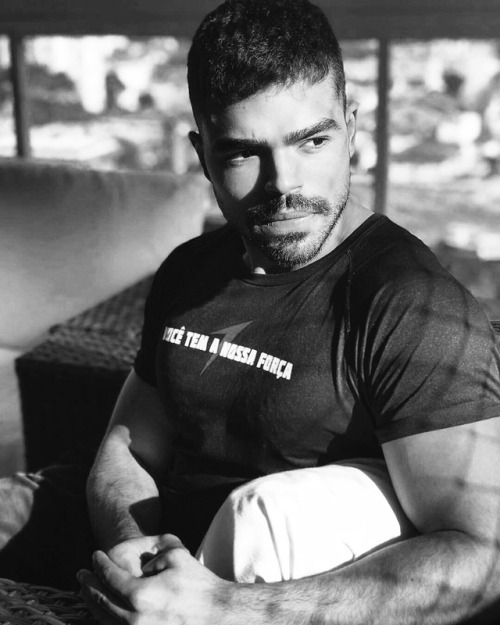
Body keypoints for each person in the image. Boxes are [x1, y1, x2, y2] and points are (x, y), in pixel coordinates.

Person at [78, 0, 500, 623]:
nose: (283, 183)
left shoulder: (408, 303)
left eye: (312, 141)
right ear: (202, 154)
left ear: (352, 129)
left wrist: (223, 606)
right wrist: (133, 547)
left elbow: (484, 561)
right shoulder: (189, 270)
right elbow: (130, 450)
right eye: (242, 153)